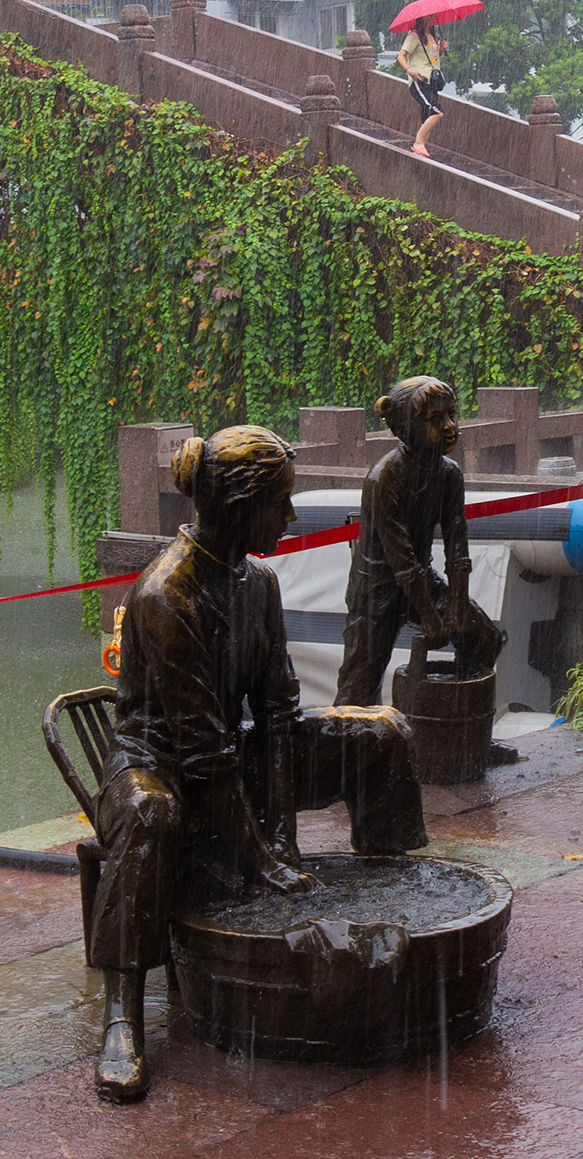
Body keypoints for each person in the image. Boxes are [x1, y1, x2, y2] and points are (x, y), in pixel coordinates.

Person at [86, 424, 427, 1103]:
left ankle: (396, 891)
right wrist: (262, 861)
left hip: (228, 751)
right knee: (153, 814)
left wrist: (282, 836)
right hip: (157, 765)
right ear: (241, 505)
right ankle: (122, 1013)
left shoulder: (259, 583)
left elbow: (276, 715)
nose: (290, 516)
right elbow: (201, 753)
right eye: (280, 502)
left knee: (383, 733)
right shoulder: (165, 596)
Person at [342, 375, 505, 708]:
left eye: (451, 415)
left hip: (421, 579)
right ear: (405, 428)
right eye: (435, 419)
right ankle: (354, 738)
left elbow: (457, 544)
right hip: (377, 590)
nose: (449, 427)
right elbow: (401, 560)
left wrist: (457, 603)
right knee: (359, 686)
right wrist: (430, 617)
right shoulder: (384, 478)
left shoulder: (449, 474)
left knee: (483, 639)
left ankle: (456, 727)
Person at [397, 16, 447, 157]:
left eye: (434, 15)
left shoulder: (432, 37)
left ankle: (421, 148)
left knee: (428, 117)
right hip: (420, 79)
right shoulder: (414, 36)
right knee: (437, 112)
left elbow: (432, 60)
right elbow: (401, 56)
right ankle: (418, 143)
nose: (433, 18)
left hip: (433, 81)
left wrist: (441, 50)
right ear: (422, 18)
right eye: (430, 16)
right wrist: (409, 71)